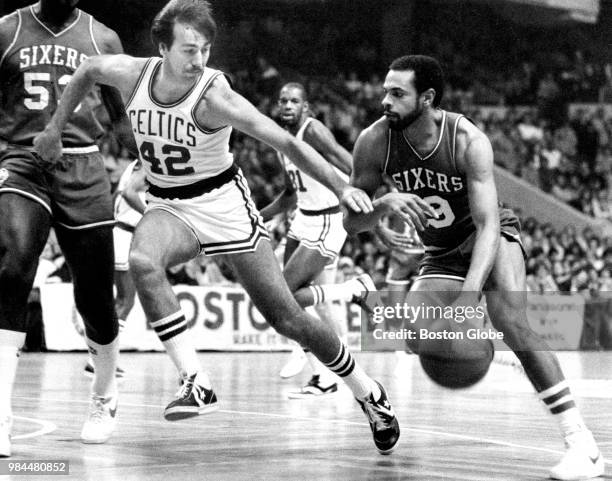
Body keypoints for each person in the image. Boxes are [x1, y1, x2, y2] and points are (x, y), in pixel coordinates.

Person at [34, 0, 400, 455]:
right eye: (189, 50)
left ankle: (369, 393)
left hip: (224, 203)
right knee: (144, 260)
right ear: (162, 47)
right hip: (170, 203)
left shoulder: (214, 95)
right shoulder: (133, 75)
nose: (199, 60)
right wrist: (53, 129)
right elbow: (87, 70)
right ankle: (196, 380)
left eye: (205, 49)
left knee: (287, 318)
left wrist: (340, 186)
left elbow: (285, 140)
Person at [343, 55, 603, 480]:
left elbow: (487, 225)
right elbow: (352, 223)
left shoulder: (467, 139)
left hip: (489, 235)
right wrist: (382, 204)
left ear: (427, 98)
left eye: (396, 93)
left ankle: (582, 445)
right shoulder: (373, 142)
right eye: (384, 91)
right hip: (441, 250)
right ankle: (489, 344)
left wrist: (468, 295)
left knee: (509, 319)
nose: (384, 101)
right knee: (415, 342)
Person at [0, 0, 137, 455]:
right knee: (13, 269)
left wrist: (156, 171)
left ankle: (104, 397)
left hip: (84, 164)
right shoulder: (7, 30)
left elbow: (121, 121)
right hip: (23, 160)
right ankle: (0, 411)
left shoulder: (104, 38)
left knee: (96, 297)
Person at [260, 82, 374, 396]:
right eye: (282, 100)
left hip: (327, 218)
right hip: (303, 220)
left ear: (306, 108)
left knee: (286, 298)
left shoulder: (312, 130)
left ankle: (355, 289)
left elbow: (346, 159)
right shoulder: (282, 141)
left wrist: (367, 194)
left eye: (294, 101)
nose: (286, 105)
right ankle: (324, 377)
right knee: (321, 307)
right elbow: (288, 195)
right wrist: (258, 215)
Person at [84, 159, 146, 377]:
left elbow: (117, 196)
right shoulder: (146, 163)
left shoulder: (133, 164)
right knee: (125, 300)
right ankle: (99, 362)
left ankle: (100, 359)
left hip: (118, 232)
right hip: (125, 234)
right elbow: (129, 193)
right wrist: (150, 214)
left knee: (119, 301)